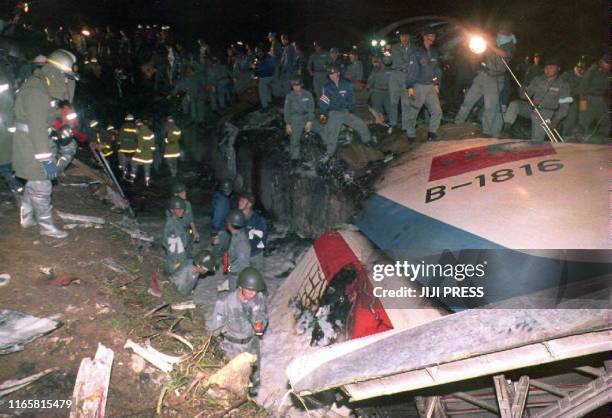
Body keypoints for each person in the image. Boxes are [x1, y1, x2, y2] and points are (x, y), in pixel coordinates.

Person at [12, 49, 79, 239]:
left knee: (34, 182)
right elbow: (36, 128)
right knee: (43, 185)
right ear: (56, 72)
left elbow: (48, 115)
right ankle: (46, 227)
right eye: (65, 77)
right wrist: (47, 161)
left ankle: (26, 217)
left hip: (36, 141)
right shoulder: (35, 92)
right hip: (31, 145)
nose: (67, 82)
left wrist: (60, 125)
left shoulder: (43, 86)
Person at [206, 266, 267, 395]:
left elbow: (263, 313)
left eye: (255, 290)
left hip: (252, 344)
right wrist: (215, 345)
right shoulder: (224, 303)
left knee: (253, 376)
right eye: (249, 290)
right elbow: (214, 328)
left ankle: (252, 397)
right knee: (234, 380)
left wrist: (261, 323)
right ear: (240, 287)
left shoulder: (259, 297)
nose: (253, 294)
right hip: (232, 347)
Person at [454, 22, 516, 137]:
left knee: (490, 107)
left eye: (503, 30)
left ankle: (486, 132)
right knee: (468, 99)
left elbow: (504, 54)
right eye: (500, 29)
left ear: (508, 32)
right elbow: (478, 50)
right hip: (483, 74)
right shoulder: (493, 39)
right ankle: (458, 123)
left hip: (496, 78)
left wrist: (490, 45)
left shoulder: (510, 44)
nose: (500, 32)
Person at [502, 56, 571, 141]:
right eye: (546, 67)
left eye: (551, 67)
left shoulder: (564, 85)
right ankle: (506, 129)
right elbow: (525, 95)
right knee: (515, 104)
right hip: (532, 107)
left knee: (537, 139)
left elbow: (565, 108)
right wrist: (522, 91)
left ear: (558, 69)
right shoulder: (538, 79)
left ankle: (536, 147)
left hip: (546, 113)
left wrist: (555, 121)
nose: (548, 69)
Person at [319, 65, 371, 157]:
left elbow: (351, 98)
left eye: (333, 73)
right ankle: (329, 154)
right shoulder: (326, 87)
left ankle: (367, 141)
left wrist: (351, 110)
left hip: (345, 111)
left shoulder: (346, 84)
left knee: (361, 124)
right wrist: (323, 113)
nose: (332, 76)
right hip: (334, 113)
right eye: (330, 74)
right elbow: (324, 101)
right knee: (332, 135)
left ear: (338, 73)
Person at [163, 197, 206, 294]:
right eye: (178, 209)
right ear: (172, 210)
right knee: (187, 273)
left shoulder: (176, 221)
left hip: (178, 256)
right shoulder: (173, 226)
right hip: (176, 259)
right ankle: (181, 292)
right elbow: (175, 249)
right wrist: (181, 265)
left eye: (182, 208)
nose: (181, 211)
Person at [405, 29, 443, 141]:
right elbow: (411, 71)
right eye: (431, 35)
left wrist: (436, 84)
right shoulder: (416, 53)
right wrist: (410, 87)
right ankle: (410, 134)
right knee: (414, 111)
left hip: (430, 87)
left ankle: (432, 132)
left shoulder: (434, 52)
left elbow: (436, 70)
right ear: (425, 37)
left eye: (434, 36)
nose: (433, 38)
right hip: (418, 86)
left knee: (437, 111)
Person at [383, 29, 415, 134]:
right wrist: (386, 52)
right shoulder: (394, 48)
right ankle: (393, 124)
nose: (404, 38)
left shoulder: (414, 48)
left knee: (406, 103)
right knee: (393, 102)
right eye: (402, 36)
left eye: (406, 36)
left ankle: (405, 126)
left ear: (409, 37)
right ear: (400, 37)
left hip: (408, 76)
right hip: (395, 75)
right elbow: (387, 62)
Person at [0, 68, 23, 204]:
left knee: (7, 168)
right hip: (4, 137)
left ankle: (22, 199)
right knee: (7, 168)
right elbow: (7, 108)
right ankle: (22, 198)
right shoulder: (3, 79)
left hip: (3, 136)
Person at [578, 53, 610, 142]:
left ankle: (602, 140)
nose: (609, 65)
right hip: (588, 99)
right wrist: (582, 103)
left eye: (610, 63)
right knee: (584, 121)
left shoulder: (606, 73)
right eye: (607, 63)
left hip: (600, 99)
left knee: (606, 120)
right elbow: (582, 87)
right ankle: (581, 140)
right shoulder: (592, 71)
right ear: (601, 62)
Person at [283, 77, 315, 161]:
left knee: (322, 129)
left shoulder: (308, 94)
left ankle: (327, 152)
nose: (296, 88)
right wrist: (288, 123)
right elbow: (287, 110)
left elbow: (311, 108)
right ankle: (294, 159)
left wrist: (310, 121)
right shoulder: (289, 96)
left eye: (297, 85)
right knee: (294, 139)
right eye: (294, 86)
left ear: (301, 85)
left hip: (307, 116)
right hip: (296, 118)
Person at [219, 209, 251, 291]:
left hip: (238, 276)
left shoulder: (241, 242)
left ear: (230, 224)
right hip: (234, 273)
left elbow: (243, 263)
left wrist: (229, 268)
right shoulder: (236, 235)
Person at [238, 193, 268, 271]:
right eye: (240, 200)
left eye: (243, 201)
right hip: (242, 254)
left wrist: (256, 250)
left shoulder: (258, 220)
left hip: (255, 254)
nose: (239, 202)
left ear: (249, 204)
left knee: (257, 277)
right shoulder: (236, 217)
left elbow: (263, 237)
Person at [559, 58, 586, 136]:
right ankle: (564, 137)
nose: (581, 70)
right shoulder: (567, 74)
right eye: (579, 68)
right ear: (576, 67)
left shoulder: (586, 77)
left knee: (582, 117)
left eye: (583, 68)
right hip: (567, 100)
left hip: (580, 100)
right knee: (569, 120)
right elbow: (559, 86)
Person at [367, 58, 392, 122]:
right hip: (377, 92)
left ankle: (392, 125)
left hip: (387, 93)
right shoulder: (374, 71)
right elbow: (369, 82)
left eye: (377, 62)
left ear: (381, 62)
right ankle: (380, 124)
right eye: (375, 62)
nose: (376, 64)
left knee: (390, 110)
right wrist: (369, 90)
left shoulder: (389, 70)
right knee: (378, 111)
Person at [132, 119, 156, 186]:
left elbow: (140, 145)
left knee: (133, 163)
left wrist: (137, 152)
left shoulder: (140, 133)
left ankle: (132, 178)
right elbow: (153, 144)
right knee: (147, 168)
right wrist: (151, 151)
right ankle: (147, 181)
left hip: (141, 154)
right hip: (148, 154)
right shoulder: (150, 132)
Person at [118, 113, 137, 180]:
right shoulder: (136, 127)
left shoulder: (123, 127)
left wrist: (119, 145)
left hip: (124, 150)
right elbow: (138, 138)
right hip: (133, 150)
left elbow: (120, 138)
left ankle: (124, 176)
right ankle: (132, 177)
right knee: (133, 165)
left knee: (124, 164)